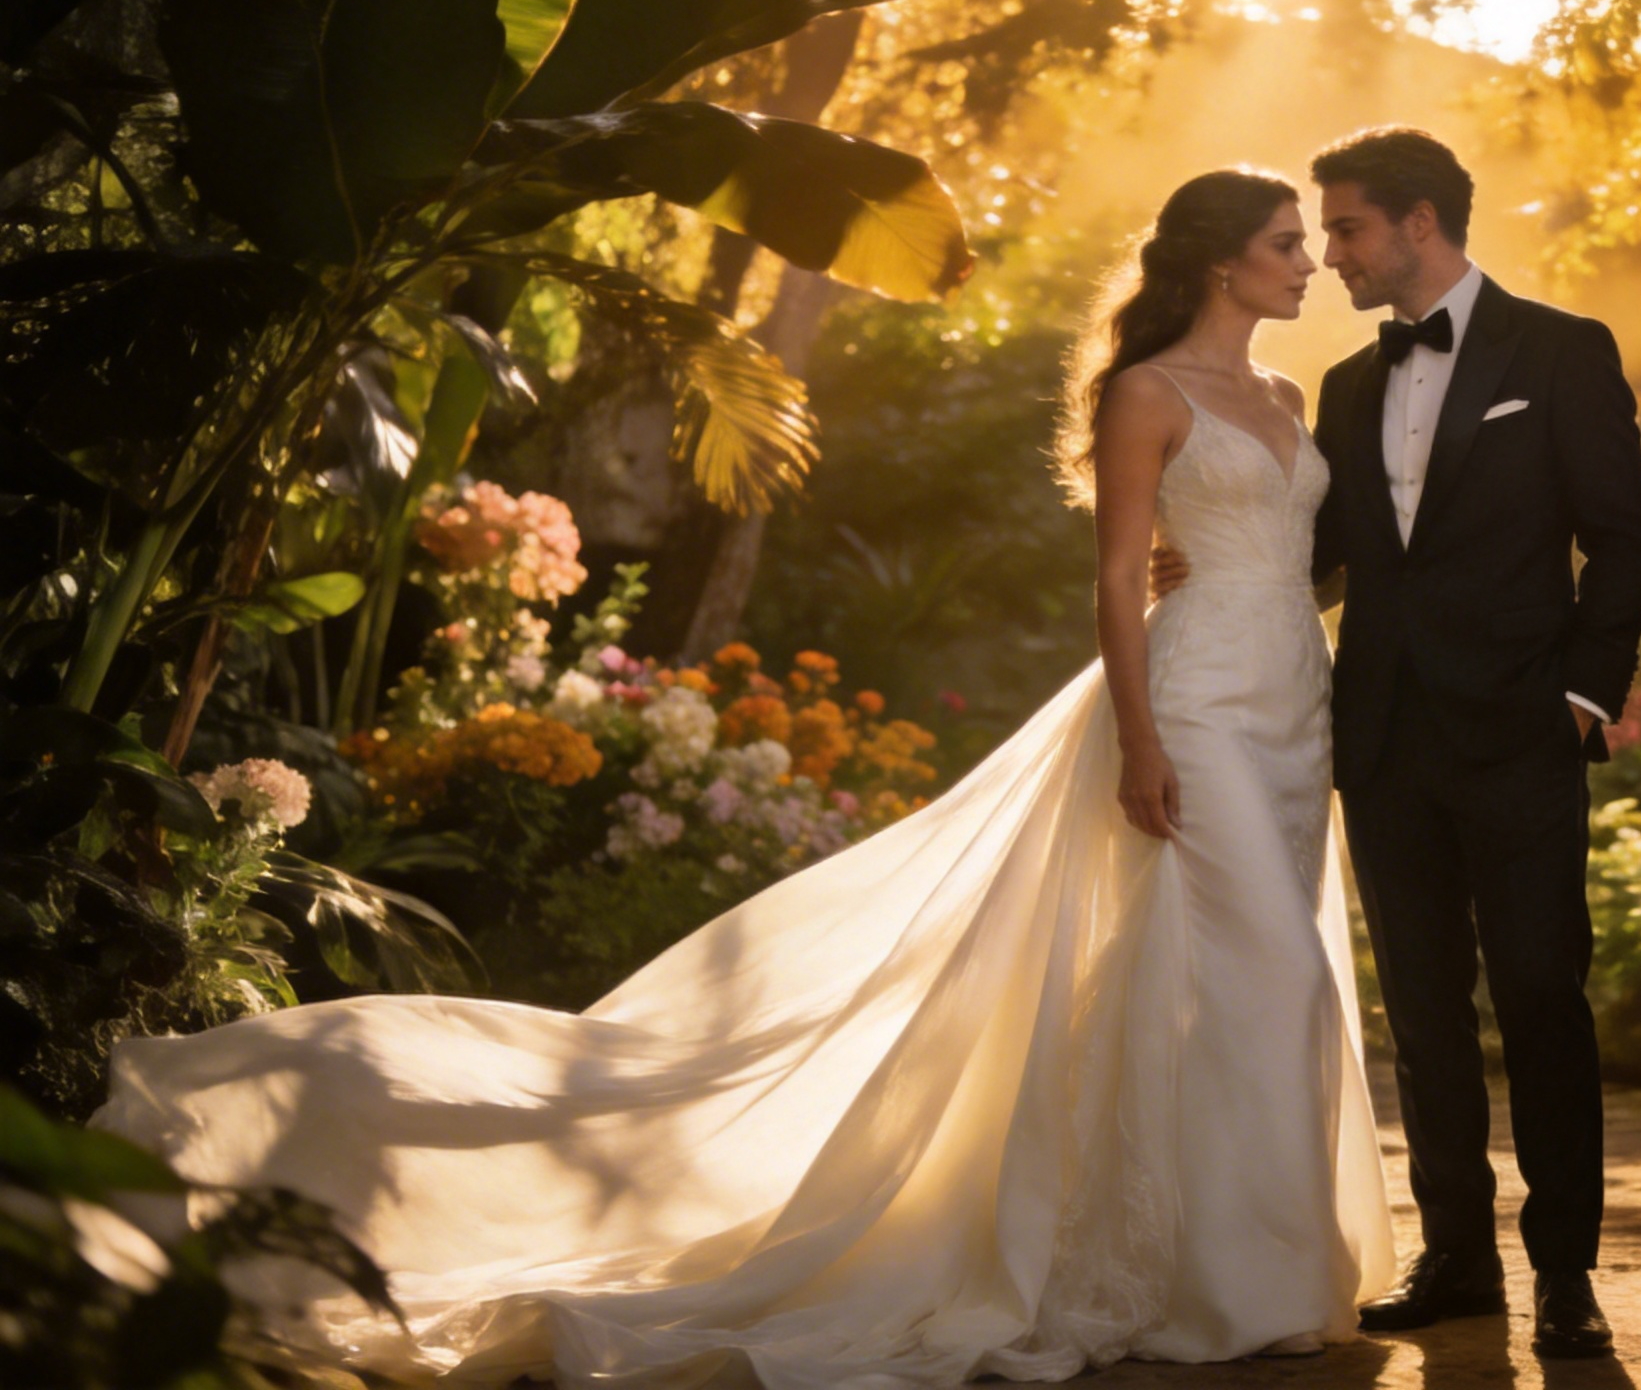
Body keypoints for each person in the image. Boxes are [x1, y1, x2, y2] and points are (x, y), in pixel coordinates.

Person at [88, 168, 1396, 1389]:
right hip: (1191, 711)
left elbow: (1305, 552)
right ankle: (1213, 1279)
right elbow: (1117, 578)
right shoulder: (1148, 395)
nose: (1312, 265)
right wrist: (1146, 739)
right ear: (1223, 264)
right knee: (1267, 967)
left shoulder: (1289, 402)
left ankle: (1242, 1269)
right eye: (1290, 245)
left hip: (1292, 706)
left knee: (1251, 983)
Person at [1156, 126, 1641, 1358]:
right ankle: (1456, 1258)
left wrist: (1586, 696)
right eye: (1317, 234)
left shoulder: (1563, 349)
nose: (1328, 255)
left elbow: (1623, 540)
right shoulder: (1346, 385)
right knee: (1424, 1013)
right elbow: (1346, 558)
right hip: (1380, 738)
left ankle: (1564, 1271)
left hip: (1523, 737)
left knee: (1541, 995)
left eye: (1346, 229)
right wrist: (1227, 565)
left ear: (1419, 224)